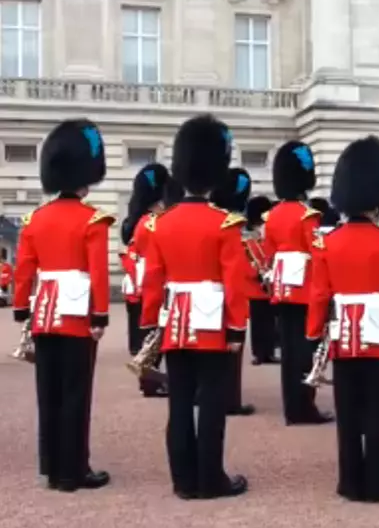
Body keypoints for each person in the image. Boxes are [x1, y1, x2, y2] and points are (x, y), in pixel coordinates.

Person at [139, 114, 250, 500]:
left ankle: (183, 480)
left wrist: (152, 323)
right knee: (213, 403)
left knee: (180, 401)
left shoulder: (160, 224)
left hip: (174, 323)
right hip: (212, 324)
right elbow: (234, 283)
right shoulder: (224, 224)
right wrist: (237, 329)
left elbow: (153, 279)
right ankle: (211, 478)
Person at [305, 136, 379, 502]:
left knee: (347, 410)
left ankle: (350, 481)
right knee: (378, 410)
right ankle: (378, 483)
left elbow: (319, 294)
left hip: (343, 335)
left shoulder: (326, 243)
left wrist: (314, 332)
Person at [12, 118, 113, 492]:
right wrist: (100, 314)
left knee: (48, 393)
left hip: (43, 315)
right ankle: (74, 471)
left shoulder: (35, 219)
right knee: (75, 393)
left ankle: (52, 467)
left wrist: (22, 309)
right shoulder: (93, 220)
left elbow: (24, 271)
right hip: (75, 317)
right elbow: (99, 274)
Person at [264, 141, 334, 425]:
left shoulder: (272, 216)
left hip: (282, 288)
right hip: (305, 288)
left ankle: (292, 407)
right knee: (305, 350)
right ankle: (304, 407)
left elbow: (269, 255)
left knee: (289, 352)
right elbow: (318, 256)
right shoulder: (308, 215)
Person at [210, 168, 258, 417]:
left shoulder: (211, 219)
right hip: (223, 298)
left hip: (191, 299)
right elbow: (235, 274)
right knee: (229, 354)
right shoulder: (230, 227)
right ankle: (229, 399)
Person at [121, 163, 171, 398]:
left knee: (152, 335)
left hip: (146, 282)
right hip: (157, 283)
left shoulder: (143, 222)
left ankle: (150, 381)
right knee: (156, 337)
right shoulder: (154, 222)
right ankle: (150, 381)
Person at [244, 195, 279, 365]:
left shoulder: (266, 234)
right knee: (258, 322)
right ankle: (258, 352)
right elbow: (246, 260)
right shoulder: (247, 237)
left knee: (269, 321)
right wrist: (256, 273)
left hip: (269, 284)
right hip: (256, 286)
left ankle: (269, 351)